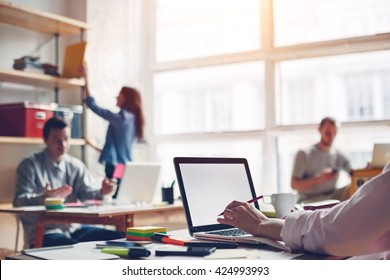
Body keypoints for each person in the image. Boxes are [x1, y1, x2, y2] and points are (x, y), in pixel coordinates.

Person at [217, 162, 390, 259]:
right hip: (309, 204)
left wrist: (262, 225)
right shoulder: (306, 154)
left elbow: (343, 230)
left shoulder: (336, 153)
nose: (331, 136)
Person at [13, 117, 124, 248]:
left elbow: (86, 194)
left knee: (119, 238)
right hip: (45, 232)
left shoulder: (76, 166)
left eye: (66, 139)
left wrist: (103, 191)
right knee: (77, 249)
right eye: (57, 140)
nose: (63, 144)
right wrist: (44, 199)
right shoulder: (29, 165)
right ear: (45, 140)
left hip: (75, 229)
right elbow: (18, 202)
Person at [82, 66, 145, 185]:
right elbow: (118, 147)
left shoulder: (121, 119)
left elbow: (94, 107)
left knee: (114, 192)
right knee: (119, 192)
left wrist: (86, 78)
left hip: (116, 165)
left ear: (126, 98)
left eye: (119, 94)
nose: (116, 97)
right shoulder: (134, 119)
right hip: (124, 165)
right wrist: (93, 145)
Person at [291, 117, 352, 203]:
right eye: (328, 133)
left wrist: (367, 169)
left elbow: (353, 173)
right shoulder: (304, 154)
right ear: (319, 129)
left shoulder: (339, 155)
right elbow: (294, 185)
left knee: (353, 187)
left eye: (334, 133)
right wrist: (320, 178)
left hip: (332, 197)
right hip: (309, 200)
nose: (332, 137)